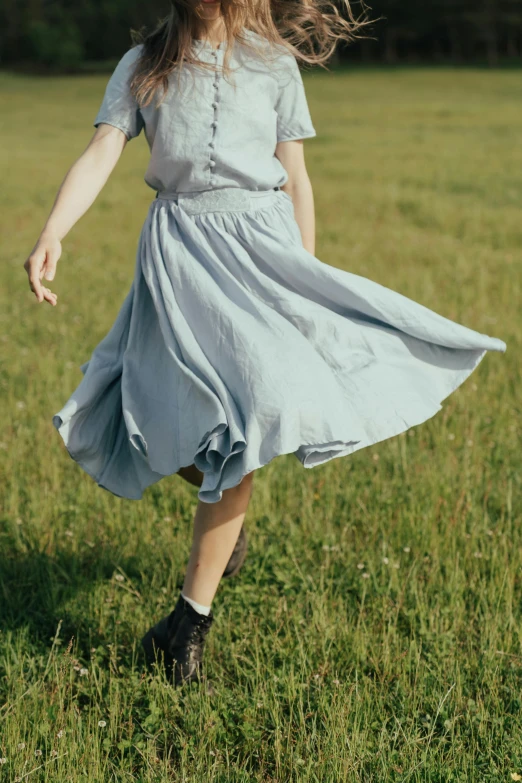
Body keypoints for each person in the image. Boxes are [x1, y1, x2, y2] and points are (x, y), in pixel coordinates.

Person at [23, 0, 507, 693]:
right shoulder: (144, 66)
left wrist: (302, 286)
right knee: (167, 424)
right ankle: (224, 522)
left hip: (262, 254)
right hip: (180, 260)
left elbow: (297, 176)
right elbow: (102, 149)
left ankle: (186, 626)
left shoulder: (274, 63)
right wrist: (53, 230)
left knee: (246, 427)